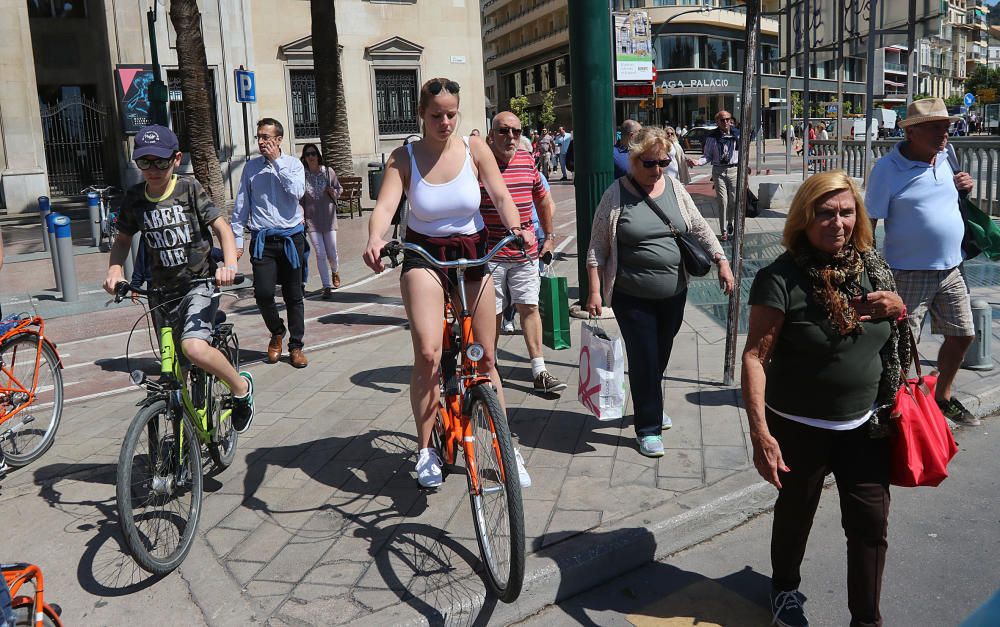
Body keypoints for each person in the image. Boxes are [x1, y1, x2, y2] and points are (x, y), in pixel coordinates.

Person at [742, 170, 910, 627]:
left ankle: (867, 619)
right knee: (796, 512)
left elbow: (896, 323)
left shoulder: (871, 265)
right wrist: (760, 433)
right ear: (803, 218)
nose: (837, 223)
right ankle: (784, 589)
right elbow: (755, 358)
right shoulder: (780, 278)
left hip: (869, 422)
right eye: (825, 213)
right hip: (799, 425)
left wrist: (897, 307)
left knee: (870, 525)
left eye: (846, 212)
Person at [362, 77, 536, 489]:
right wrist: (374, 237)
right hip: (424, 255)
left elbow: (500, 193)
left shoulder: (475, 149)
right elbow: (385, 206)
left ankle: (505, 447)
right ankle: (426, 450)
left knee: (487, 358)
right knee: (427, 352)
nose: (445, 122)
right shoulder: (404, 158)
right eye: (436, 115)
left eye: (451, 114)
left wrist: (518, 227)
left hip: (473, 252)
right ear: (421, 115)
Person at [586, 127, 734, 458]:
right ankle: (648, 427)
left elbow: (699, 228)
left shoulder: (675, 188)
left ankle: (649, 403)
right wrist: (595, 291)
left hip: (674, 292)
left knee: (660, 355)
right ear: (634, 160)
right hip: (631, 294)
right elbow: (597, 246)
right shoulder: (616, 194)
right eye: (650, 164)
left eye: (663, 162)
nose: (657, 170)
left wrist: (722, 261)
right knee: (644, 357)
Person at [103, 125, 255, 434]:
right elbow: (122, 241)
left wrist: (227, 265)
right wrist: (115, 270)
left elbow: (222, 228)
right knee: (172, 372)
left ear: (176, 159)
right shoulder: (135, 198)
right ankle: (183, 449)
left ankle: (241, 390)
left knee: (194, 349)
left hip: (199, 285)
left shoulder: (189, 188)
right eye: (145, 162)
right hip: (161, 293)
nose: (153, 169)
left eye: (161, 161)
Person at [865, 97, 979, 426]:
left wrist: (965, 187)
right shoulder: (887, 169)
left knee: (963, 336)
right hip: (907, 271)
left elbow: (950, 195)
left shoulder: (947, 154)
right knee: (901, 347)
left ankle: (941, 397)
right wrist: (870, 271)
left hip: (951, 267)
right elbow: (869, 222)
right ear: (912, 132)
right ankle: (893, 409)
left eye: (947, 127)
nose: (945, 134)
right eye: (935, 128)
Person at [483, 112, 564, 395]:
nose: (511, 137)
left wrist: (550, 237)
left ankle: (539, 370)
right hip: (489, 255)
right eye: (504, 131)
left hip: (525, 253)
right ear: (491, 135)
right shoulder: (479, 164)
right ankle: (488, 371)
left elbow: (543, 200)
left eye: (517, 132)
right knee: (491, 315)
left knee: (529, 307)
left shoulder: (528, 160)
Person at [231, 118, 309, 368]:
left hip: (291, 239)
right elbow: (241, 206)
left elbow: (298, 192)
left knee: (293, 295)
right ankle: (277, 331)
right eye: (259, 137)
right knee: (264, 294)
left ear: (279, 139)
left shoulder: (294, 165)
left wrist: (276, 163)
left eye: (266, 137)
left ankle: (296, 346)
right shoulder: (251, 168)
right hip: (263, 239)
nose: (262, 142)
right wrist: (237, 241)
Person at [299, 143, 343, 299]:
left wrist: (334, 192)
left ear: (318, 155)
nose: (311, 157)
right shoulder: (302, 175)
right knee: (320, 253)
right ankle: (326, 286)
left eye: (313, 153)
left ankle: (335, 270)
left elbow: (339, 189)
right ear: (304, 158)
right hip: (312, 221)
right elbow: (300, 199)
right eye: (307, 154)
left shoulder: (327, 172)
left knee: (332, 252)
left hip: (329, 218)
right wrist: (301, 215)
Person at [689, 110, 741, 241]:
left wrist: (745, 168)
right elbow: (707, 156)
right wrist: (698, 162)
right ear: (717, 122)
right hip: (719, 171)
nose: (725, 122)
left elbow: (742, 153)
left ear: (731, 120)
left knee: (734, 201)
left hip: (734, 170)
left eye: (728, 119)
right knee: (722, 201)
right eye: (722, 120)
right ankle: (723, 230)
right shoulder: (712, 137)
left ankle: (731, 223)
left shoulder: (738, 135)